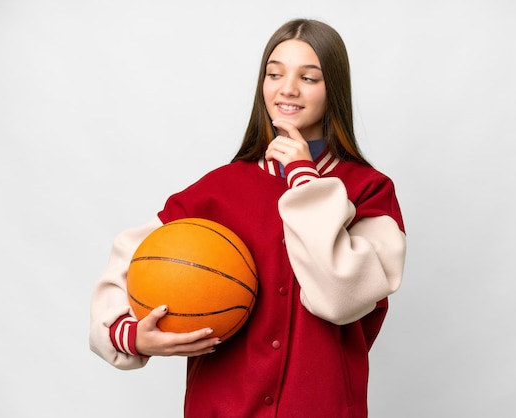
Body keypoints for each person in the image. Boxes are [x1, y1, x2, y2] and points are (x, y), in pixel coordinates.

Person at [90, 18, 406, 418]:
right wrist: (132, 335)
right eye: (274, 74)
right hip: (221, 407)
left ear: (334, 91)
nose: (287, 88)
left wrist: (305, 180)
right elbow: (131, 260)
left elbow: (340, 299)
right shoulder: (220, 188)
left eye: (308, 78)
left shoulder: (371, 191)